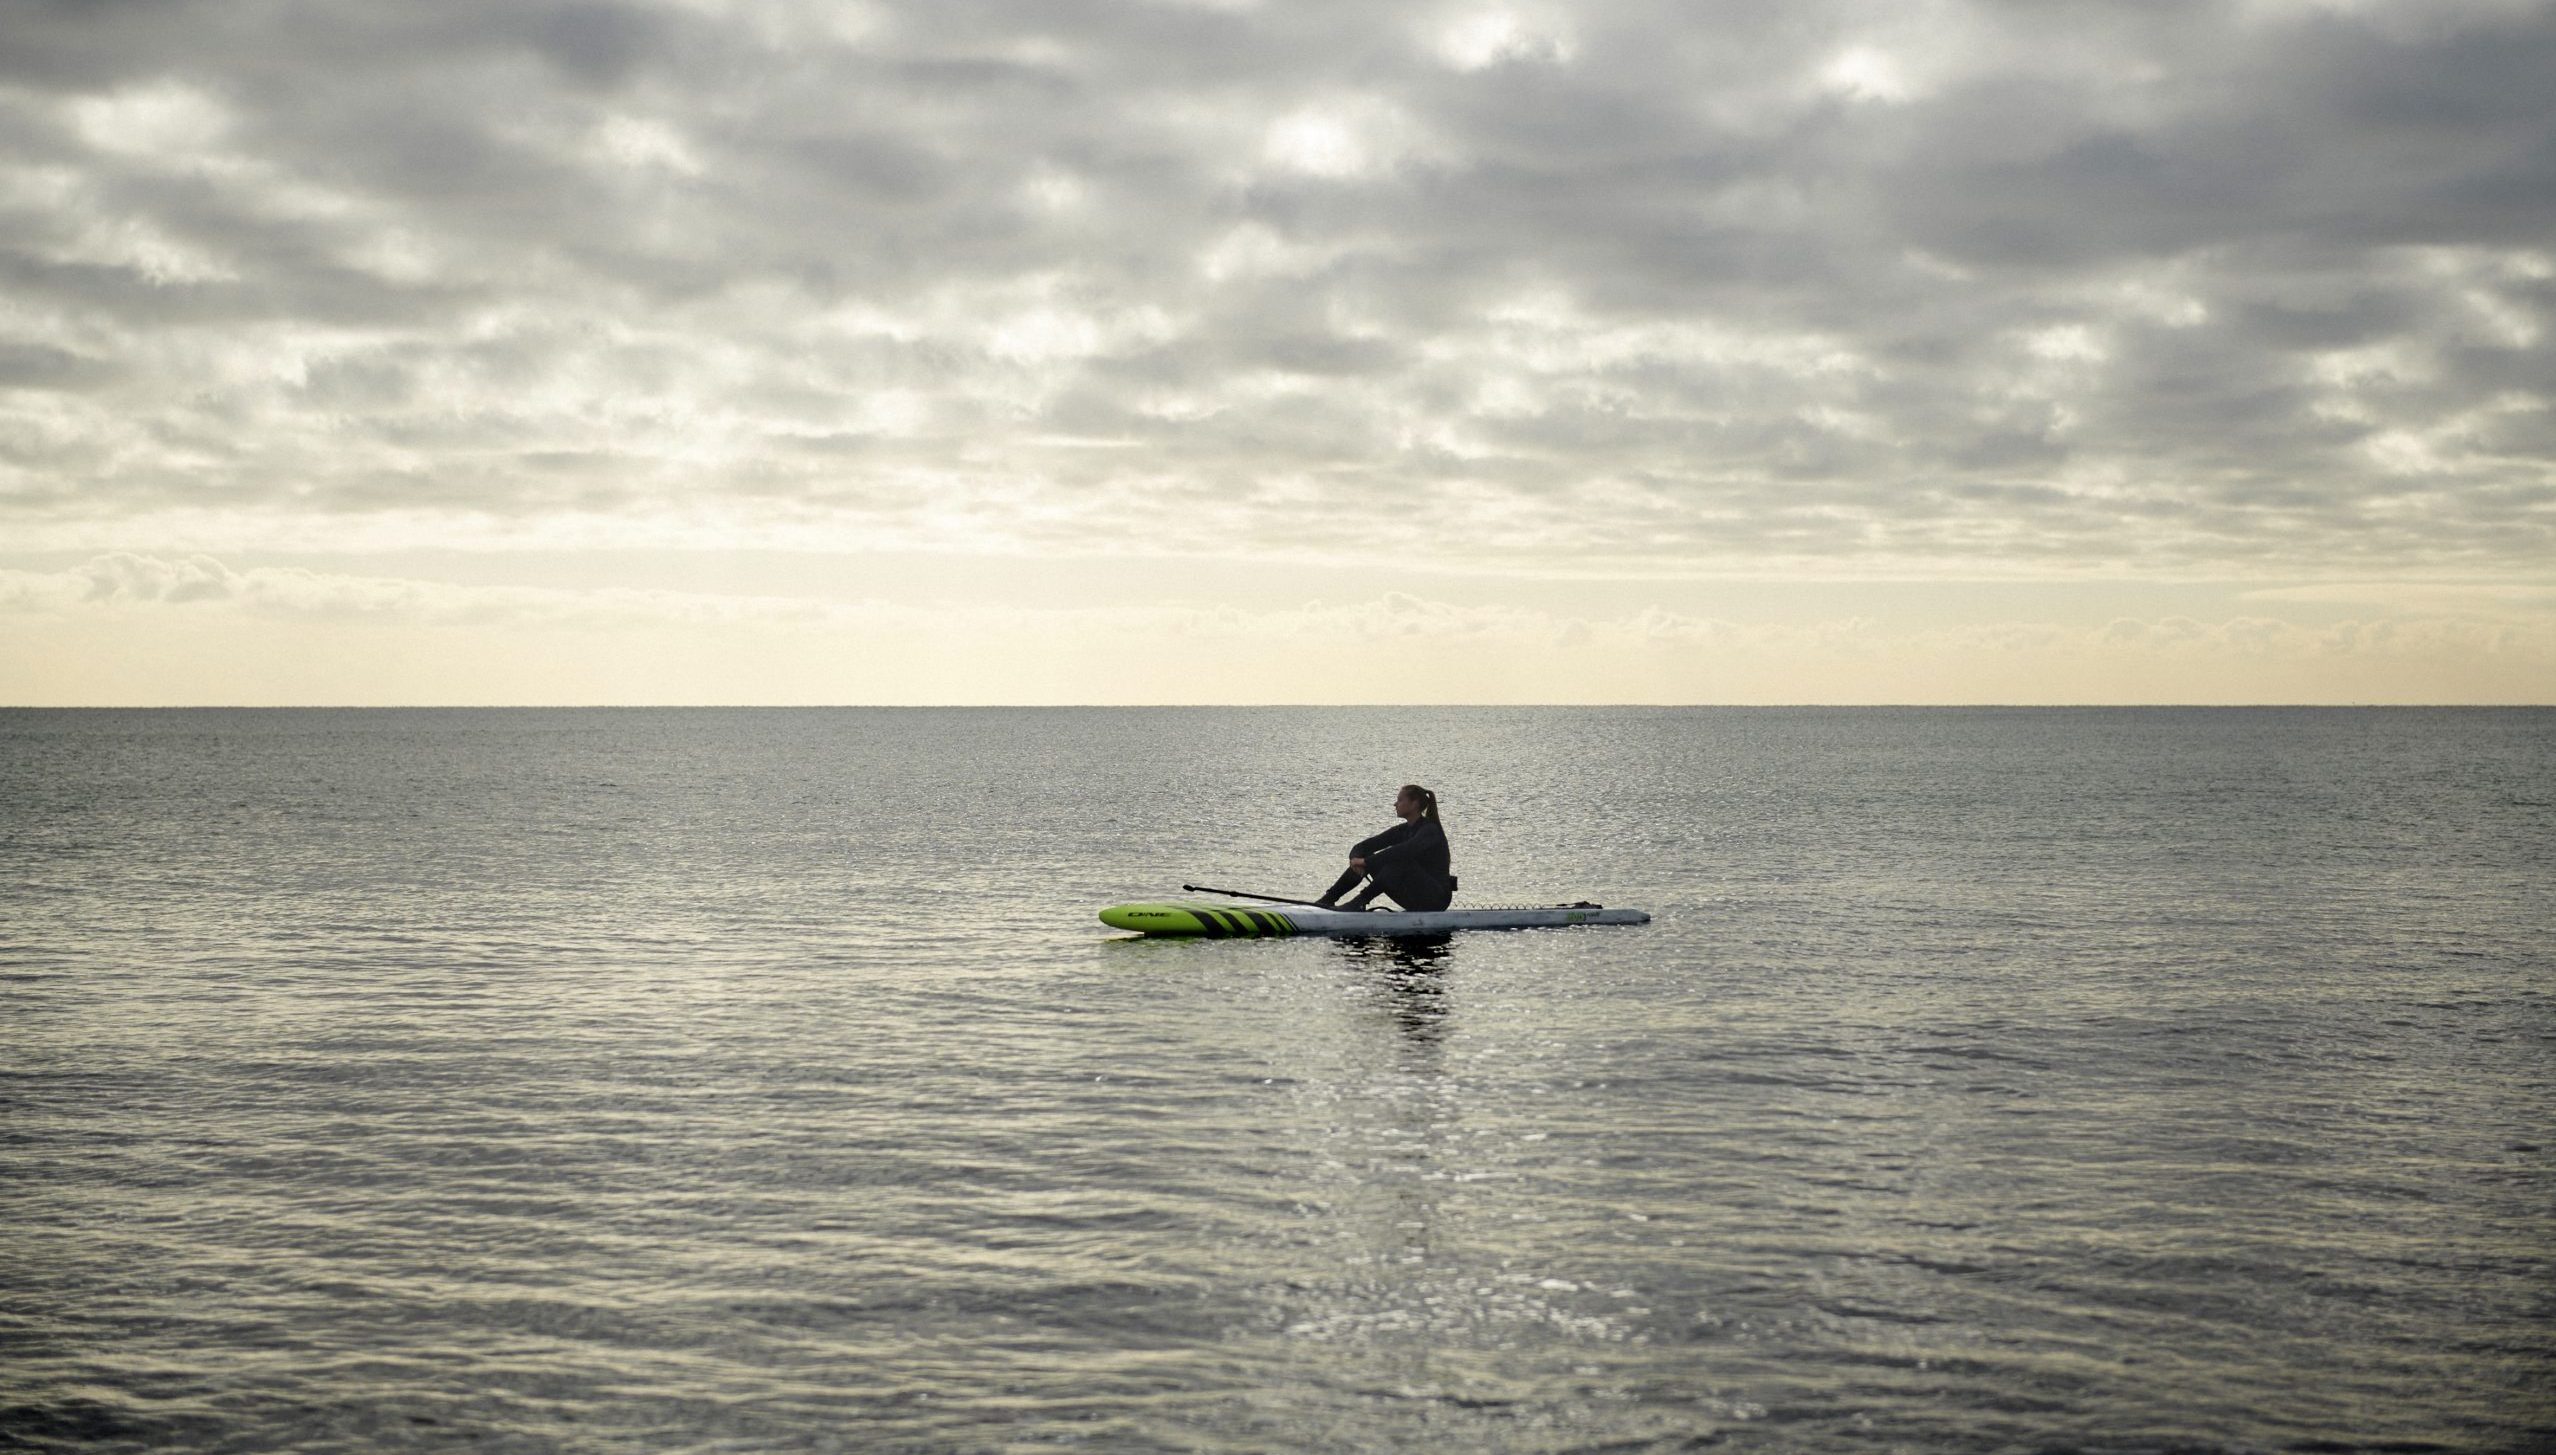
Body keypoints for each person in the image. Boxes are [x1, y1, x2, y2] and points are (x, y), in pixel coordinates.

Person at [1316, 784, 1456, 912]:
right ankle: (1329, 899)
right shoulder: (1402, 830)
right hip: (1412, 897)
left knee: (1399, 860)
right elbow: (1363, 846)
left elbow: (1405, 850)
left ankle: (1359, 902)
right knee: (1368, 855)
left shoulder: (1430, 830)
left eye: (1400, 800)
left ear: (1414, 804)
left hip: (1436, 899)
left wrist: (1366, 862)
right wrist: (1356, 860)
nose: (1395, 804)